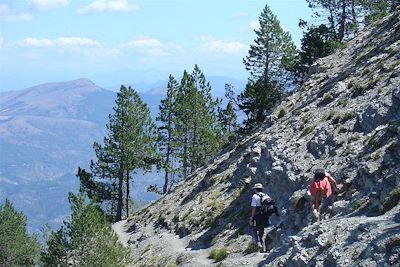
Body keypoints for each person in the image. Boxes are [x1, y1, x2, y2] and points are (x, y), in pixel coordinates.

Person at [249, 183, 277, 252]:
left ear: (255, 189)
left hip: (258, 215)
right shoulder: (265, 195)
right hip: (265, 215)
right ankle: (263, 249)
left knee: (253, 229)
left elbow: (254, 208)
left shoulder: (255, 196)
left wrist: (252, 217)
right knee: (262, 230)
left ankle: (258, 243)